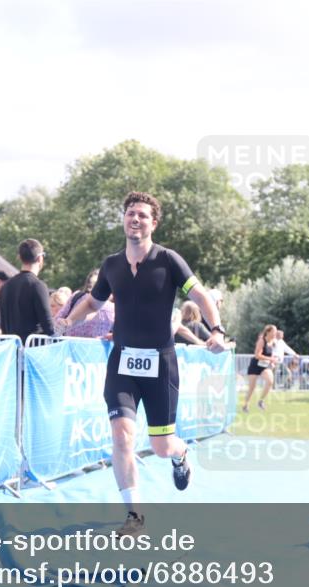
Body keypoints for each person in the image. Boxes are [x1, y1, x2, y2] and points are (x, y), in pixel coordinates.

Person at [54, 192, 226, 536]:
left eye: (143, 215)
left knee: (162, 447)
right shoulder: (112, 265)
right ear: (123, 219)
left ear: (153, 223)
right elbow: (92, 301)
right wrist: (69, 321)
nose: (135, 219)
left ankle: (181, 454)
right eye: (130, 213)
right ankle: (135, 515)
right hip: (122, 364)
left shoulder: (169, 260)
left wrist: (217, 330)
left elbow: (200, 296)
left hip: (160, 365)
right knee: (122, 436)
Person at [0, 239, 55, 343]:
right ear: (40, 258)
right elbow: (49, 327)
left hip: (10, 349)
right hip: (32, 351)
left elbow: (3, 324)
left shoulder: (6, 285)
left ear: (19, 257)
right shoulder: (38, 285)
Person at [55, 269, 116, 339]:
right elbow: (57, 320)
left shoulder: (116, 306)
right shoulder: (77, 297)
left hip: (72, 346)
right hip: (94, 348)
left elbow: (57, 320)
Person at [243, 324, 277, 412]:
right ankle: (245, 405)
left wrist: (272, 361)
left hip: (264, 366)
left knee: (270, 381)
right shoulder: (262, 341)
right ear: (268, 332)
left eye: (276, 332)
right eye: (274, 332)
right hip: (255, 366)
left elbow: (271, 354)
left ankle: (261, 401)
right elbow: (257, 355)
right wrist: (270, 359)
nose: (275, 334)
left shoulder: (273, 342)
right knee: (252, 387)